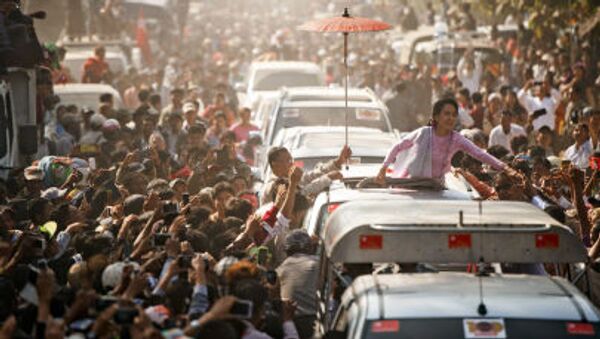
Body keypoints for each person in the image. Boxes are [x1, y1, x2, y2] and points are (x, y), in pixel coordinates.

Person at [376, 98, 511, 183]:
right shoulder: (423, 133)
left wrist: (505, 168)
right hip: (411, 187)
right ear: (436, 117)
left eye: (453, 115)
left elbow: (480, 154)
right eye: (446, 114)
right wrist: (384, 167)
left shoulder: (456, 139)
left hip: (436, 189)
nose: (451, 118)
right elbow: (398, 147)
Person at [260, 145, 350, 205]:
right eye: (288, 161)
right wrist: (327, 178)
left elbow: (310, 176)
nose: (292, 164)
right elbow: (299, 196)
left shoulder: (290, 179)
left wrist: (338, 162)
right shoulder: (274, 186)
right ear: (275, 165)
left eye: (291, 160)